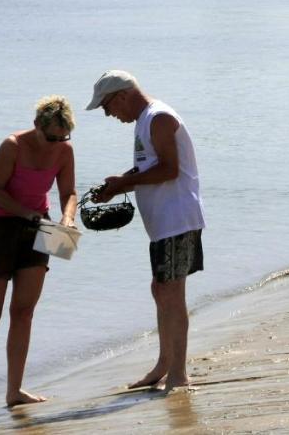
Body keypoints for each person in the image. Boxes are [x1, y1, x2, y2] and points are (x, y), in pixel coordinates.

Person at [88, 70, 205, 393]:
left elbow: (170, 169)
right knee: (160, 289)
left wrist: (125, 183)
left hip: (177, 218)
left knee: (171, 292)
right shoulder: (144, 120)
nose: (109, 114)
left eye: (107, 107)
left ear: (122, 96)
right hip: (162, 223)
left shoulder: (159, 117)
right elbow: (148, 166)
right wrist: (118, 184)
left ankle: (178, 373)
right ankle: (163, 365)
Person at [0, 96, 77, 421]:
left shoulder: (65, 150)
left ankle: (14, 390)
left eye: (62, 136)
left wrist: (68, 219)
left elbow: (68, 192)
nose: (57, 142)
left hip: (38, 227)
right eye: (52, 136)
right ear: (37, 127)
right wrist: (27, 213)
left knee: (24, 312)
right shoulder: (12, 145)